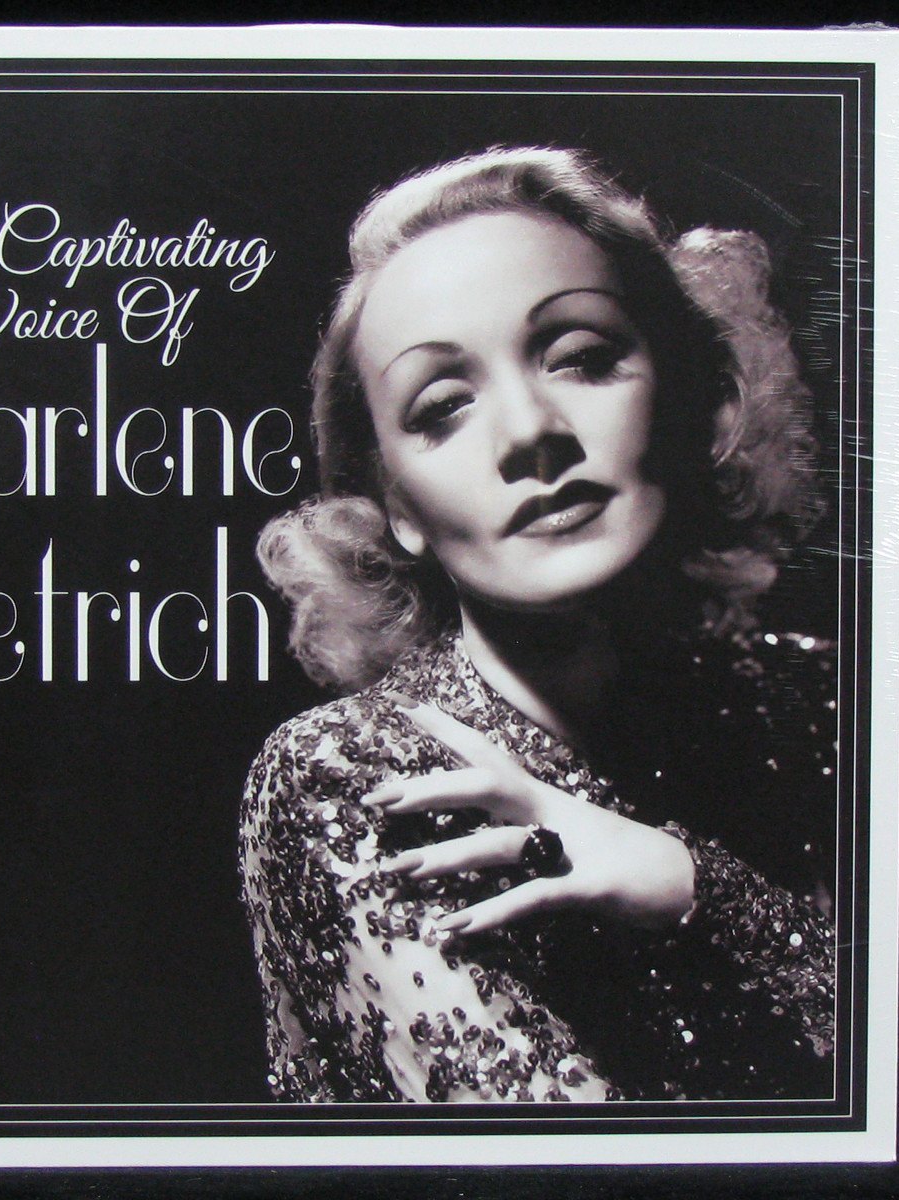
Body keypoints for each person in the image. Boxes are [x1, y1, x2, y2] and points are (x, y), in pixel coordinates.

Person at [239, 147, 837, 1104]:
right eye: (444, 407)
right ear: (396, 506)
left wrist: (688, 883)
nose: (529, 433)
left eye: (584, 357)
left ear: (694, 390)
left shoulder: (818, 701)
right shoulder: (355, 776)